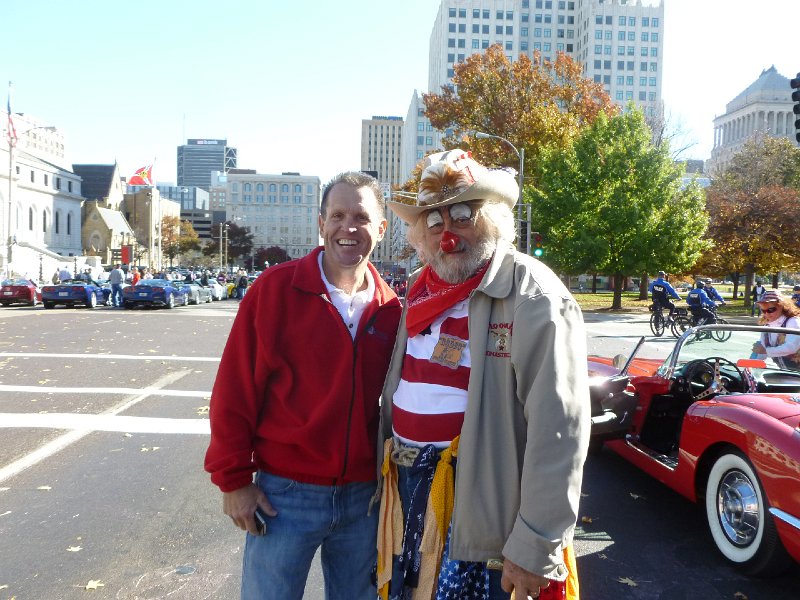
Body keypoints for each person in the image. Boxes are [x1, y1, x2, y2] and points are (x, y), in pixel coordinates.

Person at [377, 149, 589, 600]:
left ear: (492, 220)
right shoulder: (421, 289)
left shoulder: (531, 294)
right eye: (435, 222)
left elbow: (559, 430)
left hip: (482, 512)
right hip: (410, 495)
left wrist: (535, 544)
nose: (448, 233)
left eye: (462, 215)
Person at [205, 171, 402, 600]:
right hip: (284, 496)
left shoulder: (392, 308)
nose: (348, 228)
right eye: (338, 215)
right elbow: (234, 391)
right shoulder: (275, 290)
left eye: (362, 218)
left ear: (381, 230)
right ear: (321, 223)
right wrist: (234, 480)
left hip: (364, 499)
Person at [751, 290, 800, 371]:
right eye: (763, 311)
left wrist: (766, 351)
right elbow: (761, 352)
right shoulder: (767, 326)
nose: (767, 314)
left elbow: (791, 347)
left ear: (781, 306)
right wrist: (750, 368)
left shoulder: (793, 321)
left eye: (770, 310)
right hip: (785, 372)